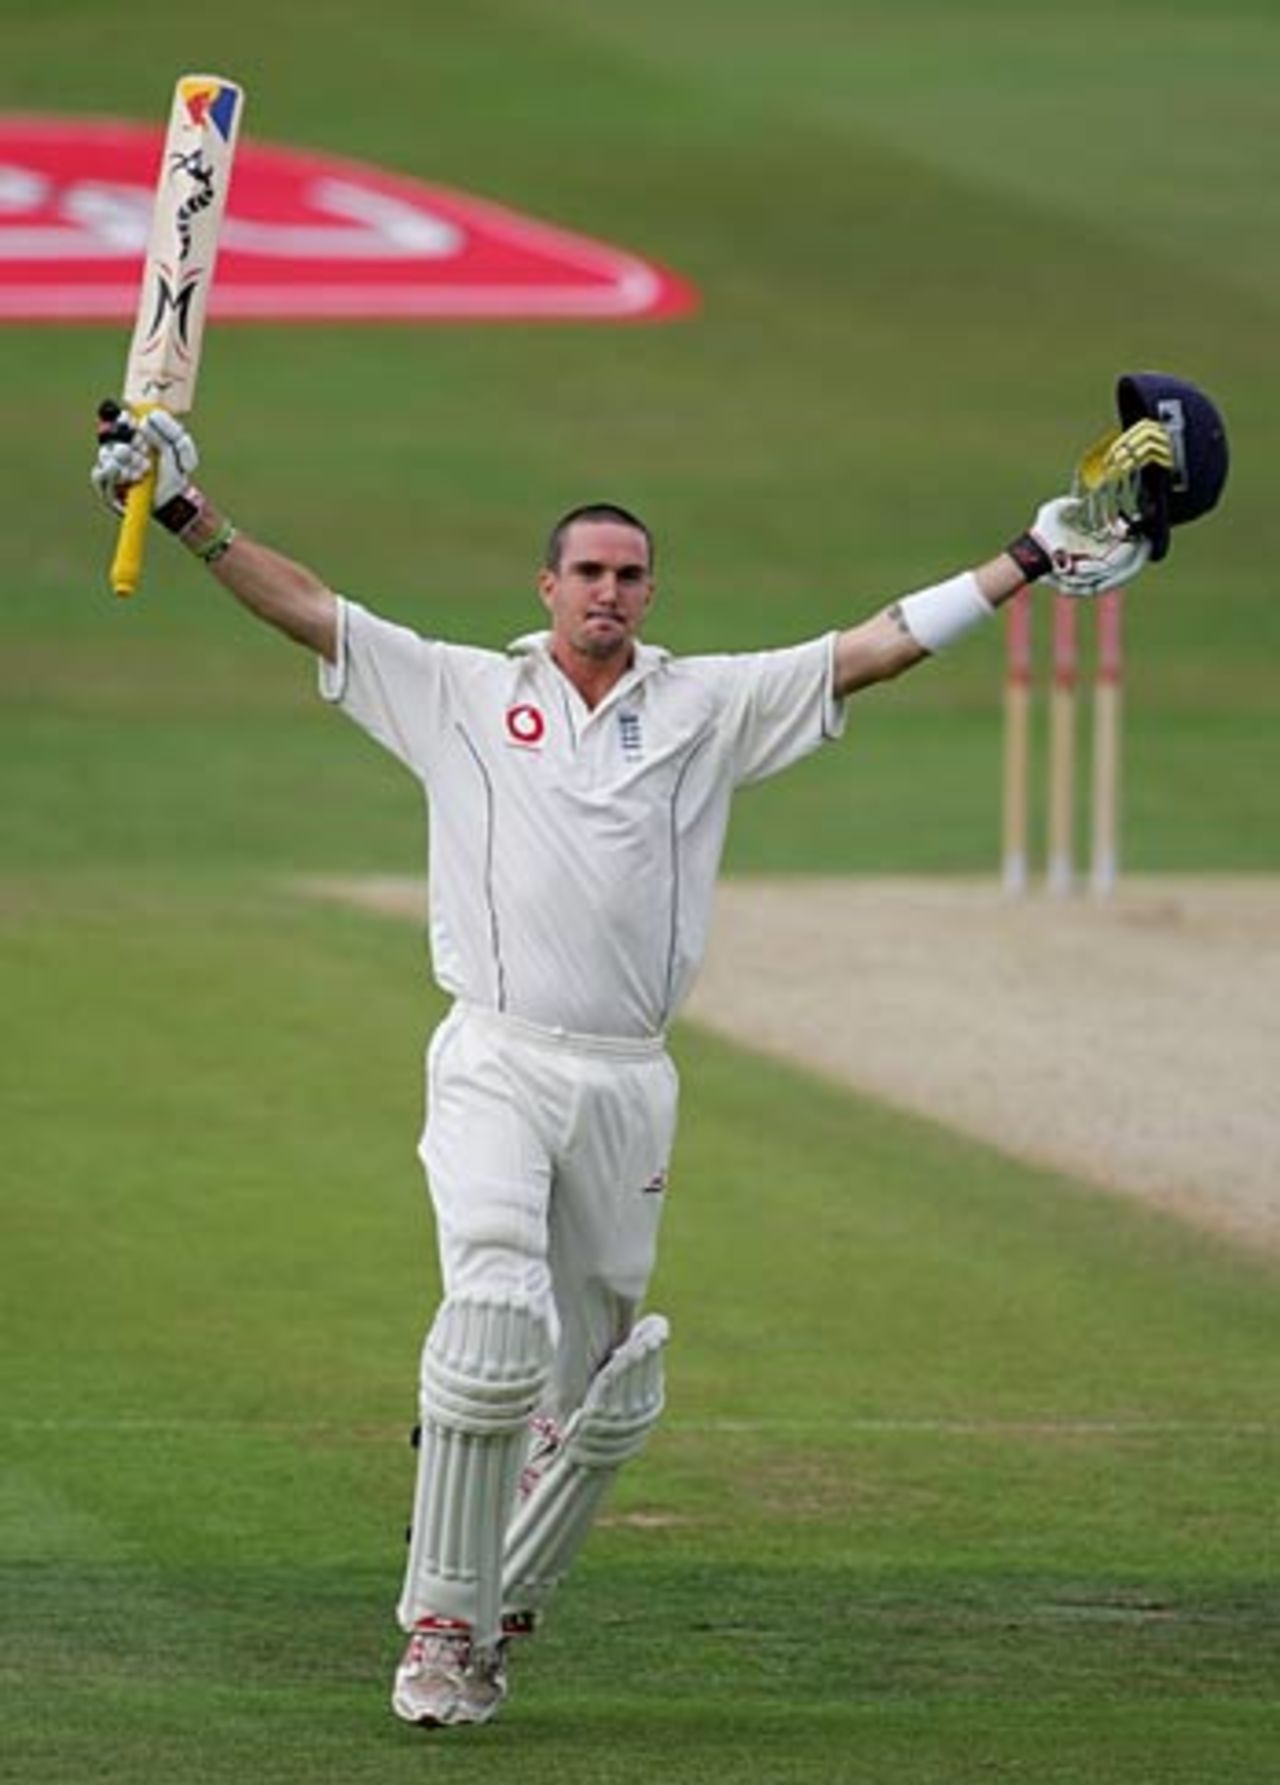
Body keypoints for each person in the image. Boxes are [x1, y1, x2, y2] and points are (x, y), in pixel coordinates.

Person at [90, 395, 1170, 1732]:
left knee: (591, 1392)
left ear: (651, 591)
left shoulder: (707, 704)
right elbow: (310, 608)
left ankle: (494, 1627)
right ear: (546, 585)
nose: (608, 591)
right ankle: (434, 1628)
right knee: (491, 1315)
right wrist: (186, 509)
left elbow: (872, 647)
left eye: (629, 574)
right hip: (494, 1053)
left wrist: (1025, 555)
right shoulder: (465, 692)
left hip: (628, 1077)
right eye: (587, 571)